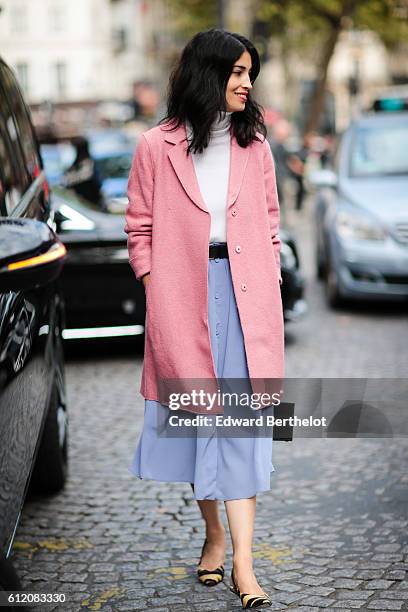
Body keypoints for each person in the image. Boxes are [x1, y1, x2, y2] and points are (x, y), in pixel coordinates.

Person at [124, 28, 284, 610]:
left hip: (247, 297)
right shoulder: (155, 146)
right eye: (237, 72)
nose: (246, 83)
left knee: (244, 427)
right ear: (207, 75)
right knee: (199, 422)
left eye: (250, 74)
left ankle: (244, 564)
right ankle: (213, 534)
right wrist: (153, 285)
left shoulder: (256, 145)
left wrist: (272, 285)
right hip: (183, 295)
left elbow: (269, 224)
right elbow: (139, 228)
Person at [62, 136, 105, 207]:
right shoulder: (76, 164)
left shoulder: (88, 163)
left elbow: (87, 176)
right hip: (80, 202)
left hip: (92, 202)